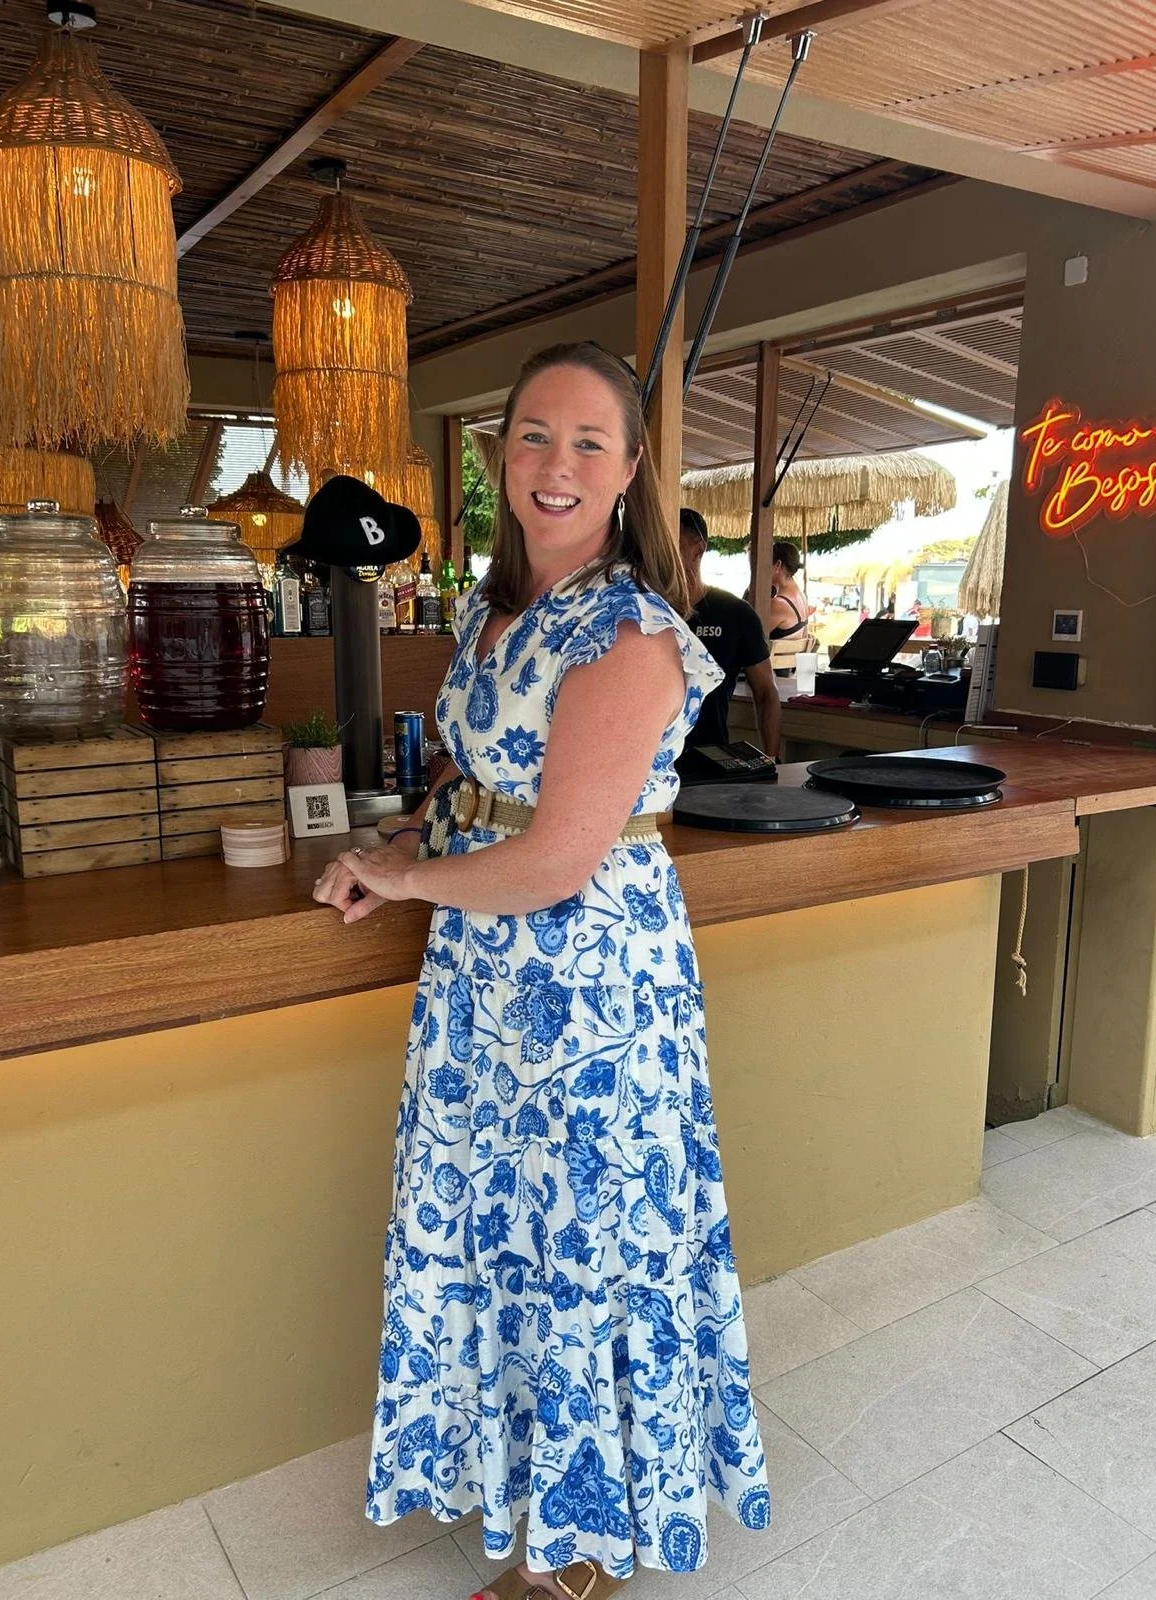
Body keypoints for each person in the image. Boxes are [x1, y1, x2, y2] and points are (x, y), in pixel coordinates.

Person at [311, 342, 769, 1598]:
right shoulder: (492, 607)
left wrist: (406, 880)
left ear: (627, 472)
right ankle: (521, 1490)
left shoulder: (630, 633)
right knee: (501, 1232)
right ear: (499, 456)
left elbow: (561, 857)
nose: (553, 465)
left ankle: (578, 1550)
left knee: (584, 1239)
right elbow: (476, 781)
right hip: (482, 981)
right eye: (530, 436)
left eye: (585, 443)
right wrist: (403, 838)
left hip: (588, 987)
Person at [677, 507, 781, 760]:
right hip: (643, 766)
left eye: (671, 543)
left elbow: (766, 692)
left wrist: (770, 760)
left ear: (697, 549)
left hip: (707, 758)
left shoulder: (734, 613)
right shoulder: (639, 611)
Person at [768, 541, 810, 643]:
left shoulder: (779, 604)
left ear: (778, 565)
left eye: (766, 564)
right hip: (791, 658)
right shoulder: (802, 597)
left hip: (774, 659)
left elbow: (749, 637)